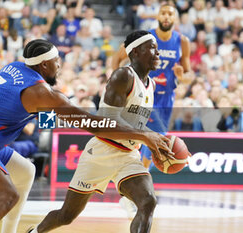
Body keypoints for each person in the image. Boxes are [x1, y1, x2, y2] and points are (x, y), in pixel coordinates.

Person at [0, 39, 172, 233]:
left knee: (26, 171)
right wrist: (145, 136)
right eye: (57, 61)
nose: (60, 66)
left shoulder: (15, 68)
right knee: (6, 196)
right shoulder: (43, 93)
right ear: (45, 65)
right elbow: (95, 126)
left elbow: (32, 114)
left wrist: (64, 115)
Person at [28, 31, 173, 233]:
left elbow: (135, 123)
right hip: (101, 152)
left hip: (129, 155)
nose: (158, 53)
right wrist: (145, 136)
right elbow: (108, 123)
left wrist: (155, 139)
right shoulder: (123, 76)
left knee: (148, 202)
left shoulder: (152, 85)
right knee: (66, 216)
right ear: (136, 52)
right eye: (152, 48)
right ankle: (35, 231)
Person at [112, 3, 191, 169]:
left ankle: (137, 170)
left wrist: (181, 75)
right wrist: (116, 79)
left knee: (149, 136)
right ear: (158, 16)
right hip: (145, 94)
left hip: (167, 96)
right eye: (163, 13)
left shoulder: (182, 41)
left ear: (175, 18)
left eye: (170, 14)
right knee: (157, 134)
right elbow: (118, 56)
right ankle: (141, 171)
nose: (167, 17)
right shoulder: (145, 38)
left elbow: (189, 75)